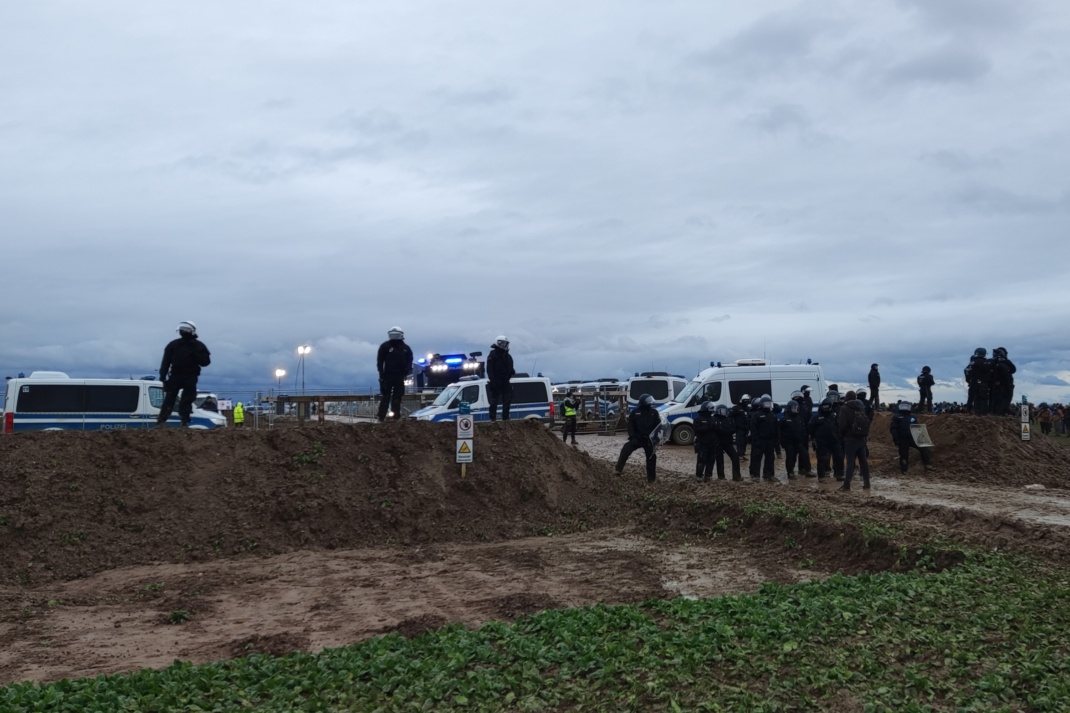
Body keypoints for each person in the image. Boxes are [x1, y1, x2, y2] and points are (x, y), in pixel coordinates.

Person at [156, 321, 211, 428]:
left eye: (185, 330)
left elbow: (206, 362)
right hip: (175, 375)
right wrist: (163, 376)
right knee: (169, 398)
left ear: (192, 331)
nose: (183, 332)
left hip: (190, 376)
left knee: (187, 399)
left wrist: (195, 355)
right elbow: (166, 361)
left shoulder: (198, 346)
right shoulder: (173, 345)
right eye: (182, 330)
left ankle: (184, 421)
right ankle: (161, 421)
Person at [614, 394, 662, 482]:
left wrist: (656, 439)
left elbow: (658, 426)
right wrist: (633, 437)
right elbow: (630, 426)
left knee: (651, 458)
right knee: (625, 449)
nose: (649, 403)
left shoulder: (654, 412)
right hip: (637, 438)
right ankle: (618, 469)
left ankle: (651, 479)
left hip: (649, 440)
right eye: (647, 401)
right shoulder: (635, 412)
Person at [377, 327, 413, 422]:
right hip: (387, 375)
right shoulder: (385, 346)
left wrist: (406, 371)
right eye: (392, 335)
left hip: (400, 375)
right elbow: (380, 361)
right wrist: (381, 374)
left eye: (396, 335)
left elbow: (409, 361)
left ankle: (396, 416)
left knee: (397, 396)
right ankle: (381, 417)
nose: (394, 337)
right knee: (386, 396)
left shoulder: (405, 348)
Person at [839, 397, 871, 491]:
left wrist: (843, 435)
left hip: (850, 440)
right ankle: (867, 483)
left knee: (850, 463)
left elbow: (842, 425)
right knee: (863, 462)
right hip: (861, 439)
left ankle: (847, 485)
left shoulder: (844, 408)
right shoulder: (860, 407)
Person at [890, 401, 931, 473]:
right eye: (903, 406)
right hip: (902, 439)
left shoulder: (912, 417)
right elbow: (893, 429)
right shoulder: (896, 417)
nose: (905, 408)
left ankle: (927, 464)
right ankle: (904, 469)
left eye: (906, 406)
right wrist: (896, 439)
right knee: (904, 455)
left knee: (924, 448)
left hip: (913, 438)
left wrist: (921, 438)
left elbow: (917, 427)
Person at [809, 398, 842, 481]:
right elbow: (811, 429)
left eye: (827, 406)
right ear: (821, 406)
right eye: (824, 406)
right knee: (822, 459)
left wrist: (839, 437)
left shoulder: (834, 416)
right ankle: (821, 476)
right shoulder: (816, 417)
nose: (826, 407)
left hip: (834, 441)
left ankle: (839, 474)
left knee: (839, 457)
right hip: (821, 442)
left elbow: (839, 427)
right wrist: (814, 438)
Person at [486, 335, 515, 421]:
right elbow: (489, 370)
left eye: (505, 343)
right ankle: (493, 418)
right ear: (498, 343)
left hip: (505, 380)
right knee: (494, 400)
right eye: (502, 343)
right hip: (496, 380)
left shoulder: (508, 356)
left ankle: (505, 418)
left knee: (507, 399)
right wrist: (492, 381)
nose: (504, 345)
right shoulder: (493, 355)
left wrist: (509, 376)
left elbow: (510, 369)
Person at [779, 400, 810, 479]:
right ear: (789, 408)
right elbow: (780, 432)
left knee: (805, 454)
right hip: (788, 442)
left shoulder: (799, 419)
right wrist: (782, 442)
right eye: (793, 408)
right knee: (791, 457)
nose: (794, 409)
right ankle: (790, 472)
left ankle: (807, 470)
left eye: (796, 408)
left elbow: (803, 429)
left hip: (798, 441)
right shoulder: (784, 419)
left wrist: (803, 438)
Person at [712, 404, 742, 481]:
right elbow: (715, 430)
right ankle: (721, 477)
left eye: (725, 410)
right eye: (722, 410)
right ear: (718, 411)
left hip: (728, 442)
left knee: (735, 457)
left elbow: (733, 428)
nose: (724, 412)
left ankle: (736, 476)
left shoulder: (728, 419)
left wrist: (728, 430)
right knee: (720, 460)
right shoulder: (714, 419)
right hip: (718, 442)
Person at [752, 396, 778, 481]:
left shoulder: (772, 415)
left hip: (770, 440)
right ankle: (755, 475)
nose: (767, 405)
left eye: (769, 403)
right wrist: (756, 440)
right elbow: (753, 429)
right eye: (766, 403)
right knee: (757, 458)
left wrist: (776, 439)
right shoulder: (756, 415)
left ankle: (769, 475)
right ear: (761, 404)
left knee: (770, 458)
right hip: (760, 440)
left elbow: (776, 428)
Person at [693, 401, 717, 481]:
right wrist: (707, 427)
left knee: (711, 460)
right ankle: (699, 475)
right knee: (702, 460)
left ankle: (708, 476)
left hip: (712, 443)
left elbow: (717, 429)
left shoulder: (713, 418)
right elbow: (696, 430)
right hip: (702, 443)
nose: (712, 410)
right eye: (710, 408)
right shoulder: (698, 419)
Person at [965, 348, 992, 415]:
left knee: (971, 397)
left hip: (973, 383)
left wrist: (968, 380)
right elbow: (988, 370)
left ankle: (969, 410)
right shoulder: (984, 362)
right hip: (982, 383)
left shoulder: (972, 362)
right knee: (982, 398)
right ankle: (982, 413)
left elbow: (966, 370)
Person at [990, 347, 1016, 415]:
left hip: (995, 386)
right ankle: (1000, 412)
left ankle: (999, 411)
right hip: (1003, 386)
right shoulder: (1003, 364)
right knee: (1003, 399)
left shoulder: (992, 363)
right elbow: (1013, 370)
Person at [731, 395, 751, 460]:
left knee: (745, 442)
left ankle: (742, 454)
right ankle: (739, 455)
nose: (746, 402)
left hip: (746, 428)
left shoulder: (748, 409)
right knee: (740, 442)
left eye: (747, 401)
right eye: (745, 400)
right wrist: (733, 425)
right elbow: (730, 416)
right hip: (739, 428)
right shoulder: (736, 408)